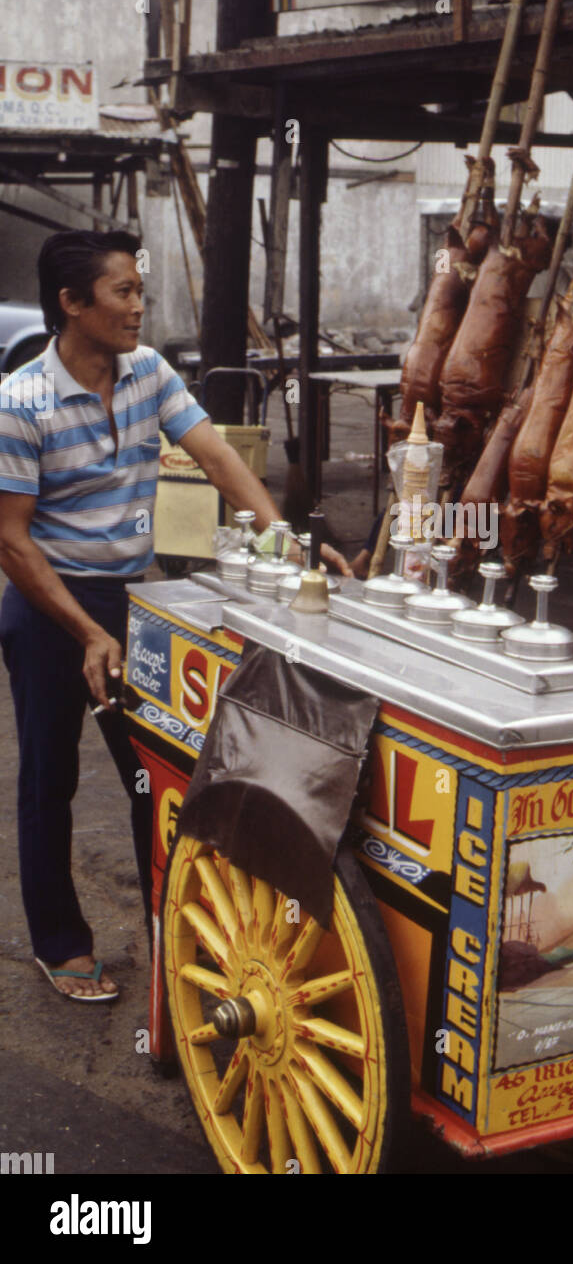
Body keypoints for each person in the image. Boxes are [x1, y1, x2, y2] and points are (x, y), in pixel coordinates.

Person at [0, 229, 348, 1001]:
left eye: (139, 292)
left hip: (134, 596)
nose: (137, 308)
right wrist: (86, 633)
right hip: (47, 603)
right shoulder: (20, 402)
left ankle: (171, 930)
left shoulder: (148, 371)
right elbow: (11, 541)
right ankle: (60, 942)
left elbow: (219, 458)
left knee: (156, 775)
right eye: (122, 293)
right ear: (72, 303)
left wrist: (283, 541)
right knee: (49, 778)